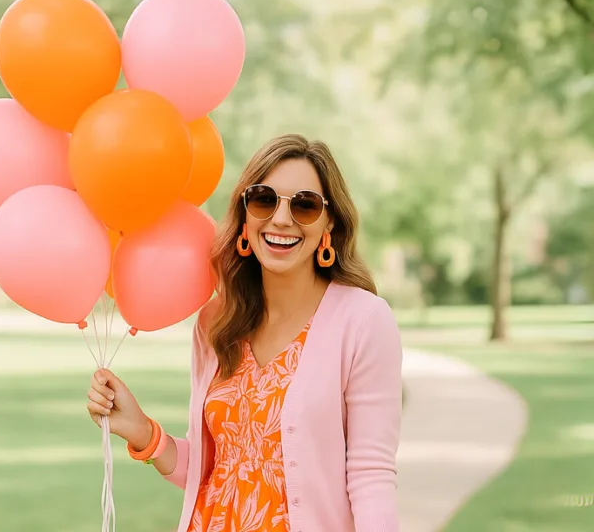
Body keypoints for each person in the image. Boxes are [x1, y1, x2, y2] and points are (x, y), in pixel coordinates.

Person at [87, 134, 403, 532]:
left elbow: (371, 475)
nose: (282, 219)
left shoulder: (363, 321)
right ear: (244, 214)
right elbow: (216, 474)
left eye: (304, 205)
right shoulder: (217, 321)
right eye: (264, 200)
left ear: (330, 221)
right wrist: (142, 432)